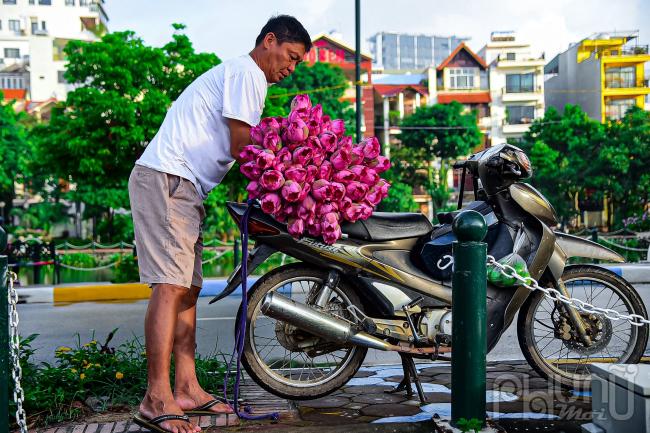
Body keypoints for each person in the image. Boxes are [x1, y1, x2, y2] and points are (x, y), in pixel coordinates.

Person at [128, 15, 311, 433]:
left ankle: (188, 388)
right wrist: (289, 180)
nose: (291, 68)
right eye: (291, 57)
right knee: (170, 287)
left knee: (188, 290)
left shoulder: (247, 78)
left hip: (185, 185)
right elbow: (243, 146)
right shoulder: (248, 73)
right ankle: (156, 397)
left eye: (298, 63)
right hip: (167, 179)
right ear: (269, 41)